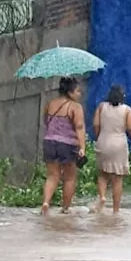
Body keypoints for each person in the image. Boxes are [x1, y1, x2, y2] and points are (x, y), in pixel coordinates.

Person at [92, 84, 131, 214]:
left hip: (103, 142)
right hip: (119, 145)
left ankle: (102, 197)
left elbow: (96, 125)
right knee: (117, 179)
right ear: (123, 96)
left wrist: (100, 137)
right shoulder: (127, 110)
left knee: (103, 174)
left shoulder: (101, 107)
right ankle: (115, 210)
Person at [41, 76, 86, 215]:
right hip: (68, 145)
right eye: (77, 91)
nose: (80, 94)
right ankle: (65, 208)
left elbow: (46, 121)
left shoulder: (50, 104)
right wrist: (82, 147)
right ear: (70, 92)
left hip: (49, 142)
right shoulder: (75, 107)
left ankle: (46, 203)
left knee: (52, 176)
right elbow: (79, 127)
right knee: (69, 177)